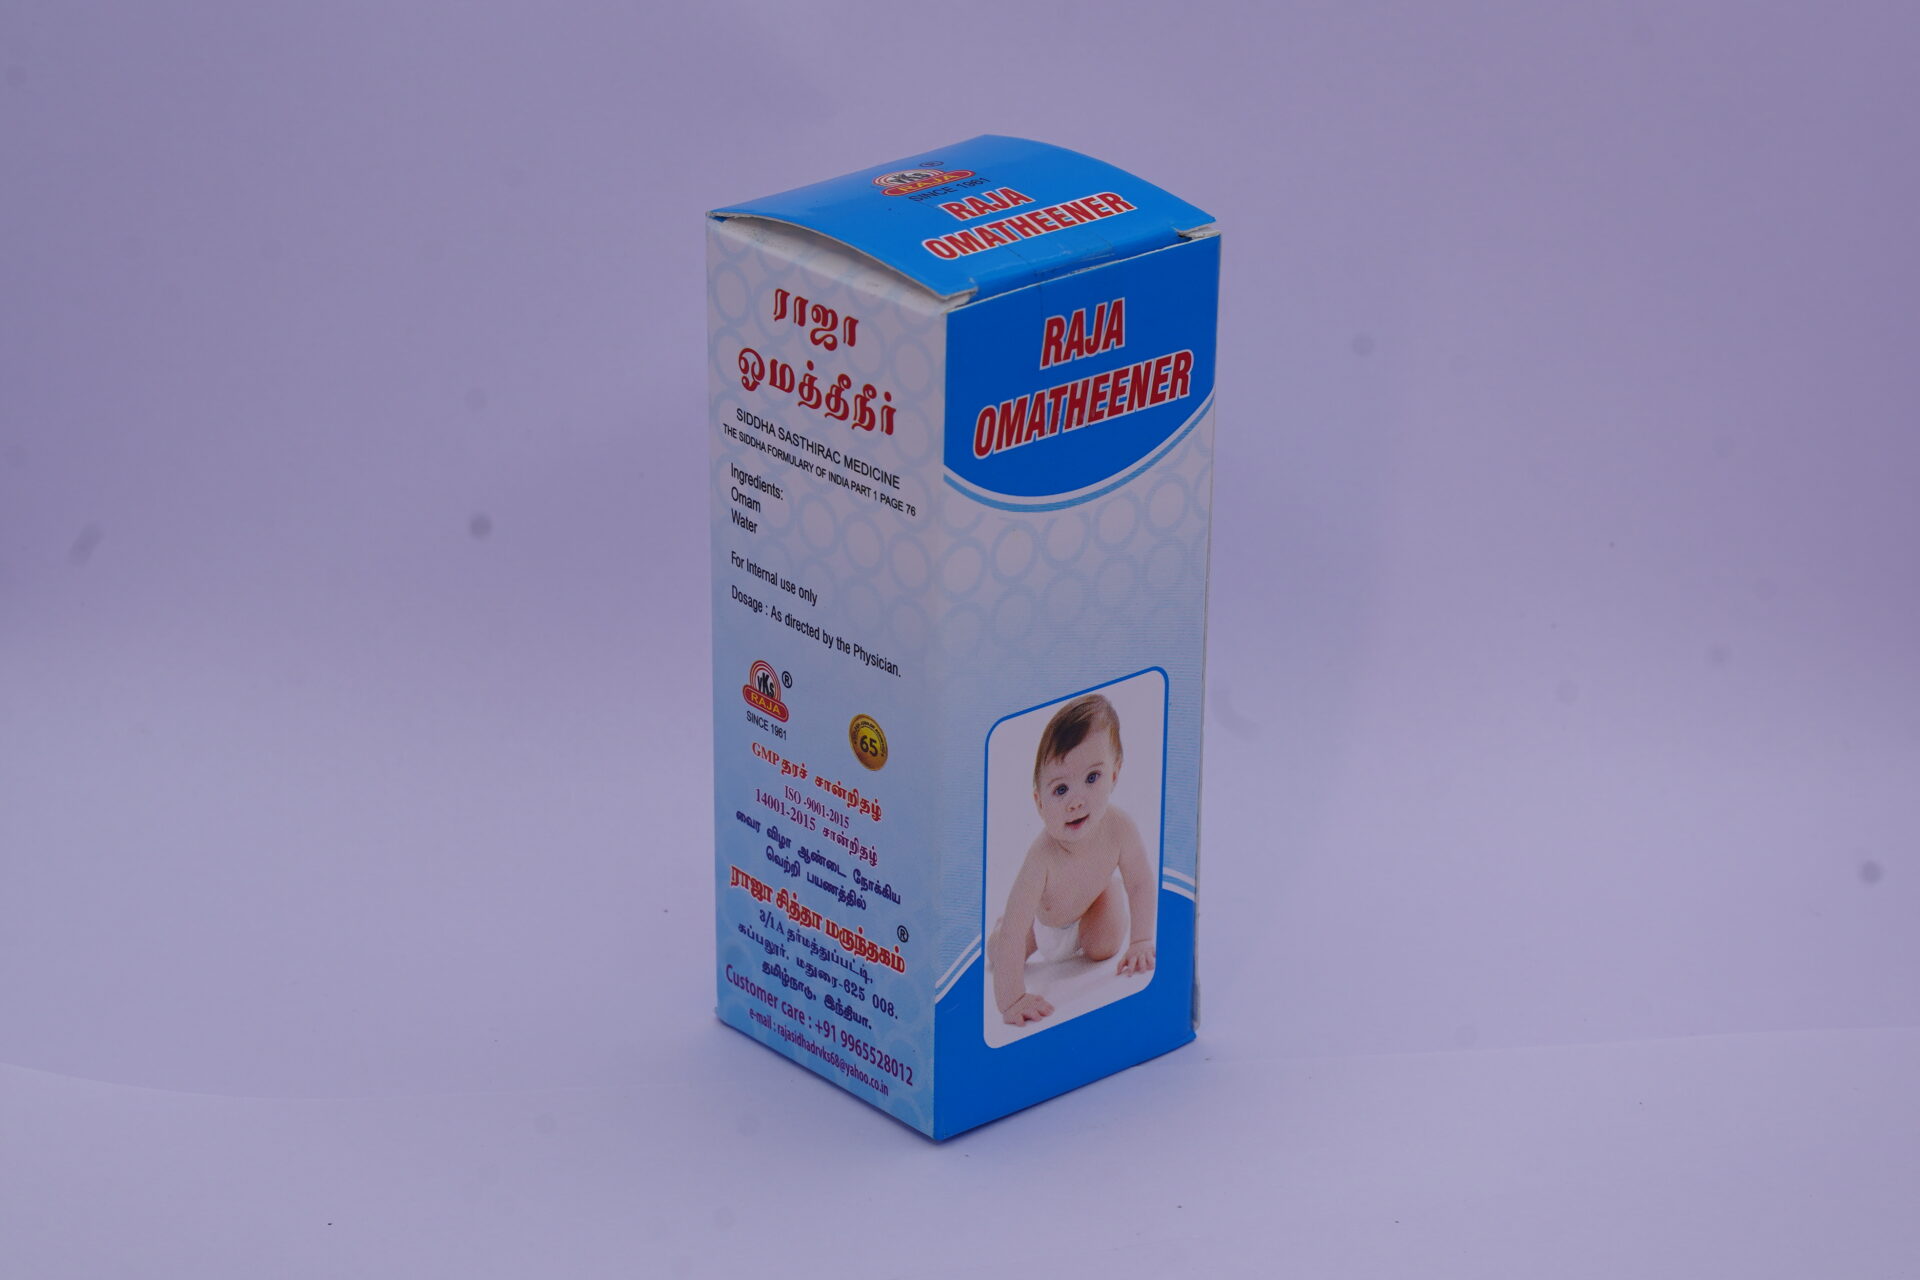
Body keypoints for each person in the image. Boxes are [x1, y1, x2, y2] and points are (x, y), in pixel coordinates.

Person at [989, 693, 1155, 1026]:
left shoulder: (1119, 828)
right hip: (1043, 927)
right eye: (1061, 790)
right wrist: (1012, 999)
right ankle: (998, 929)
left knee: (1105, 947)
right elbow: (1015, 932)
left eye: (1092, 778)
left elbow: (1140, 882)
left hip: (1093, 906)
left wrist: (1140, 941)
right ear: (1039, 803)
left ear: (1114, 775)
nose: (1076, 801)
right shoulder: (1041, 857)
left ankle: (1105, 906)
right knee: (999, 950)